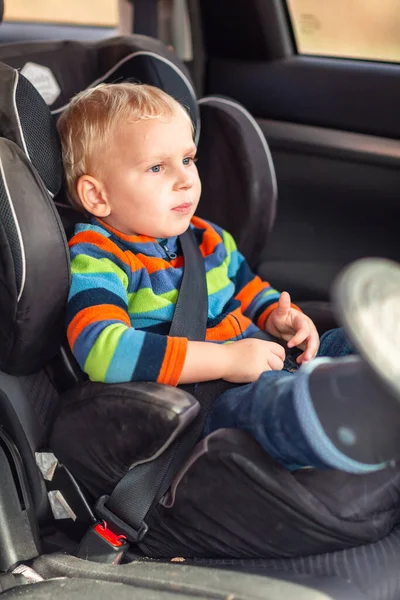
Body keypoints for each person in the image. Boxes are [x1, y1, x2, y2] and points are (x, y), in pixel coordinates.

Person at [57, 82, 400, 477]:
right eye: (156, 167)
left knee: (345, 339)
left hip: (262, 362)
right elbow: (103, 351)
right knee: (271, 406)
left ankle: (365, 391)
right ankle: (349, 420)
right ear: (98, 197)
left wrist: (275, 314)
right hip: (205, 400)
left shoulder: (205, 238)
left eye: (188, 159)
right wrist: (226, 359)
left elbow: (245, 285)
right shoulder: (99, 256)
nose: (185, 179)